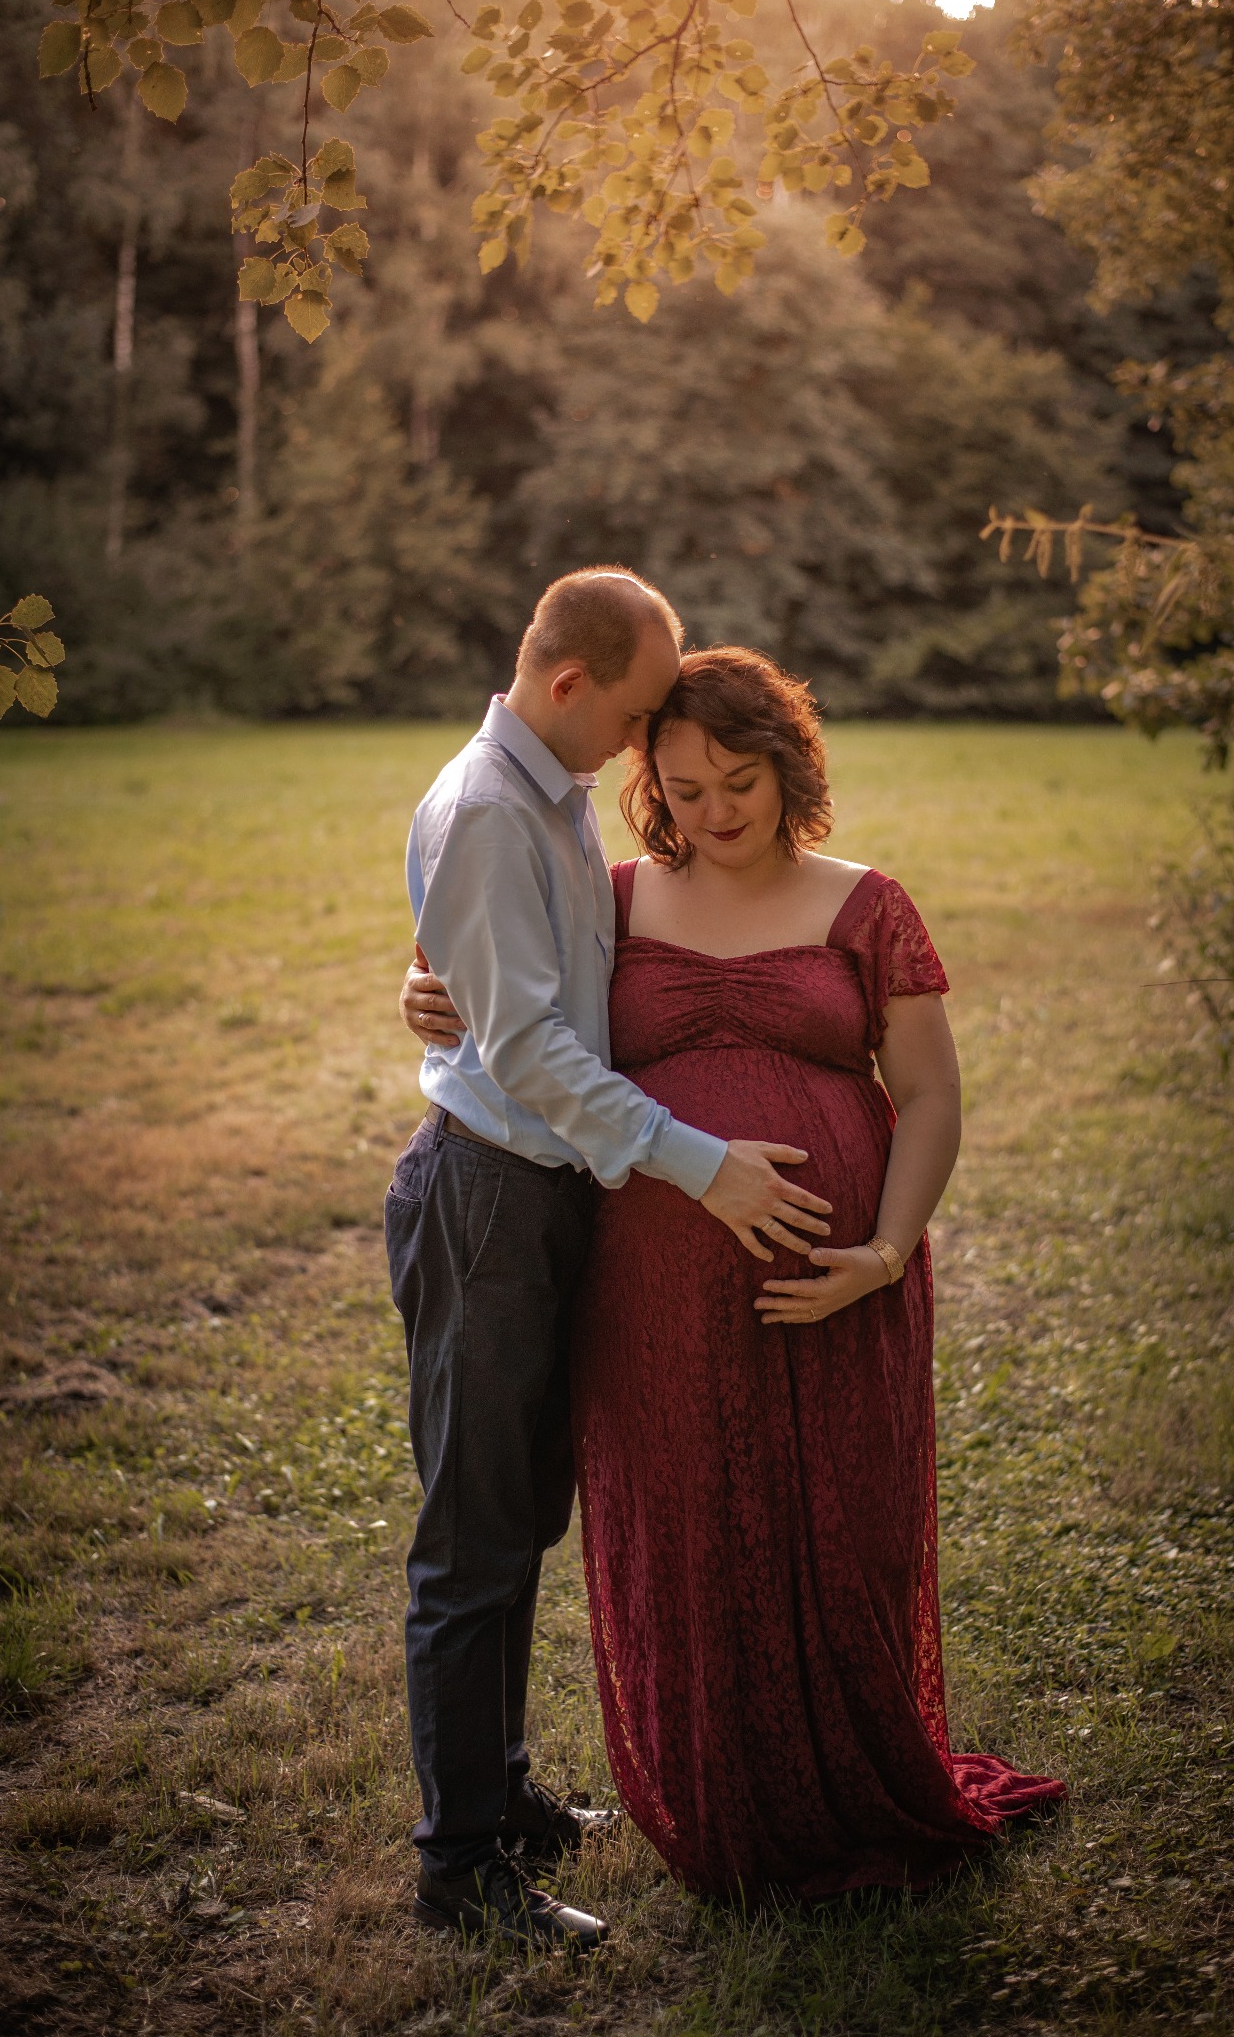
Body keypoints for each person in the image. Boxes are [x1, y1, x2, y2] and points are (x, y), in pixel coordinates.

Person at [405, 645, 1065, 1902]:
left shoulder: (867, 903)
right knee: (691, 1537)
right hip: (653, 1299)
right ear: (649, 781)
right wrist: (423, 992)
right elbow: (504, 992)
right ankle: (718, 1792)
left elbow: (928, 1095)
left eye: (738, 782)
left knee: (838, 1533)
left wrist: (880, 1254)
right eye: (684, 786)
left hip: (836, 1285)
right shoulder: (614, 899)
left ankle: (852, 1775)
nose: (712, 812)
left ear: (790, 766)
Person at [387, 573, 835, 1950]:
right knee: (472, 1539)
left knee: (520, 1515)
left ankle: (508, 1797)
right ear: (572, 686)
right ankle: (460, 1865)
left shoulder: (553, 799)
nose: (651, 747)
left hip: (546, 1194)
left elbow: (524, 989)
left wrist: (443, 1001)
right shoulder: (486, 809)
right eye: (641, 712)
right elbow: (523, 1049)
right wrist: (704, 1162)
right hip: (488, 1200)